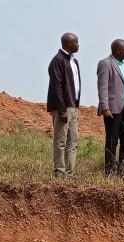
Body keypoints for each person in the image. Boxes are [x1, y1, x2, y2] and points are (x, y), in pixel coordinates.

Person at [96, 39, 124, 175]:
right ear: (117, 50)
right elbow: (102, 87)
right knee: (112, 140)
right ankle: (110, 171)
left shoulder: (123, 65)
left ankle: (122, 172)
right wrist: (105, 108)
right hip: (113, 108)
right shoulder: (105, 63)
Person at [46, 32, 81, 178]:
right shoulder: (58, 60)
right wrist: (61, 110)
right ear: (68, 43)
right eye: (76, 42)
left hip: (72, 106)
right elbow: (57, 86)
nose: (78, 45)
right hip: (63, 107)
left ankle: (70, 173)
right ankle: (59, 172)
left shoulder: (74, 61)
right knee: (61, 141)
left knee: (73, 140)